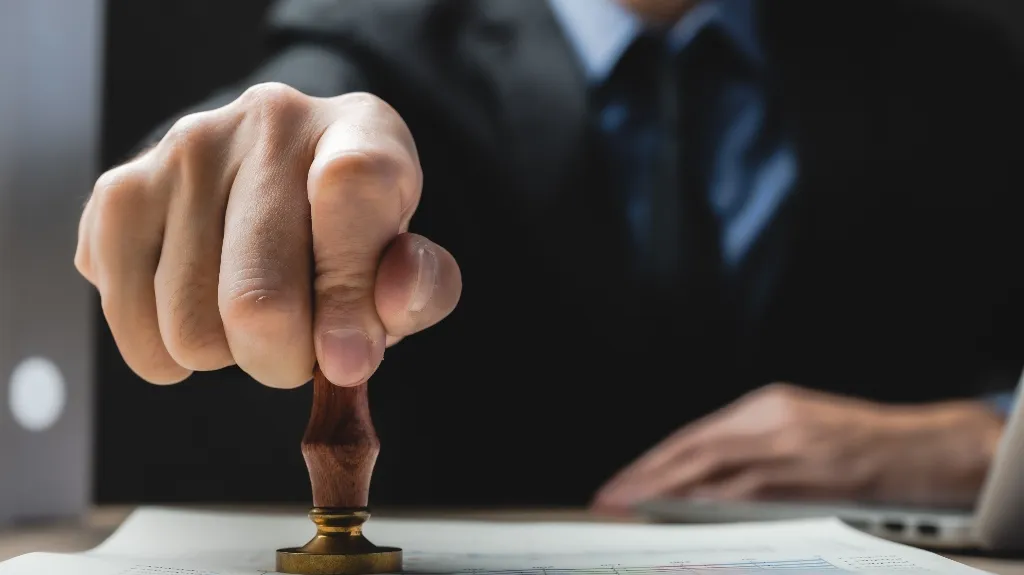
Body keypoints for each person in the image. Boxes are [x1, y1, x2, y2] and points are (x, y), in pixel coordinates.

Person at [76, 0, 1024, 509]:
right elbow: (302, 106)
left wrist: (987, 440)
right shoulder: (376, 40)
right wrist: (254, 163)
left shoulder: (967, 67)